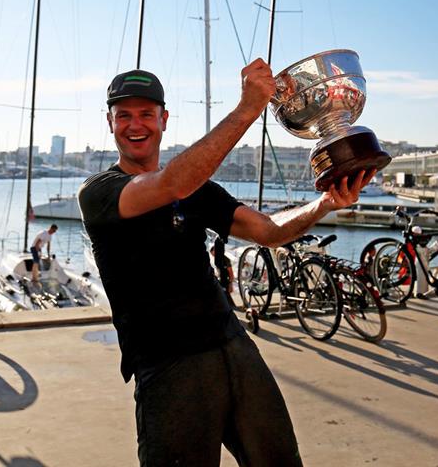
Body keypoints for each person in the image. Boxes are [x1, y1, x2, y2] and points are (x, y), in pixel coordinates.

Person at [78, 64, 374, 467]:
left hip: (233, 346)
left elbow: (268, 231)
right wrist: (247, 109)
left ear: (164, 120)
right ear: (109, 122)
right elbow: (170, 186)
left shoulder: (196, 189)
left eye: (146, 113)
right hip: (169, 366)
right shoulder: (99, 193)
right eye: (123, 114)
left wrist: (326, 204)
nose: (135, 124)